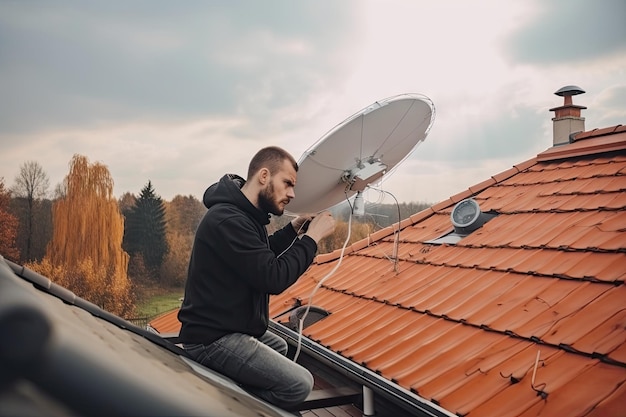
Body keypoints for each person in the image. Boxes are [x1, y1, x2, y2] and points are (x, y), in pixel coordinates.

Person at [178, 146, 336, 409]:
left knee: (280, 347)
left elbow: (259, 257)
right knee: (299, 384)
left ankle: (237, 393)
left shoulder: (244, 215)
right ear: (264, 176)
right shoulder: (227, 220)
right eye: (287, 184)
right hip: (211, 339)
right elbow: (272, 277)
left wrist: (292, 231)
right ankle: (234, 408)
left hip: (229, 328)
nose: (292, 194)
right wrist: (312, 239)